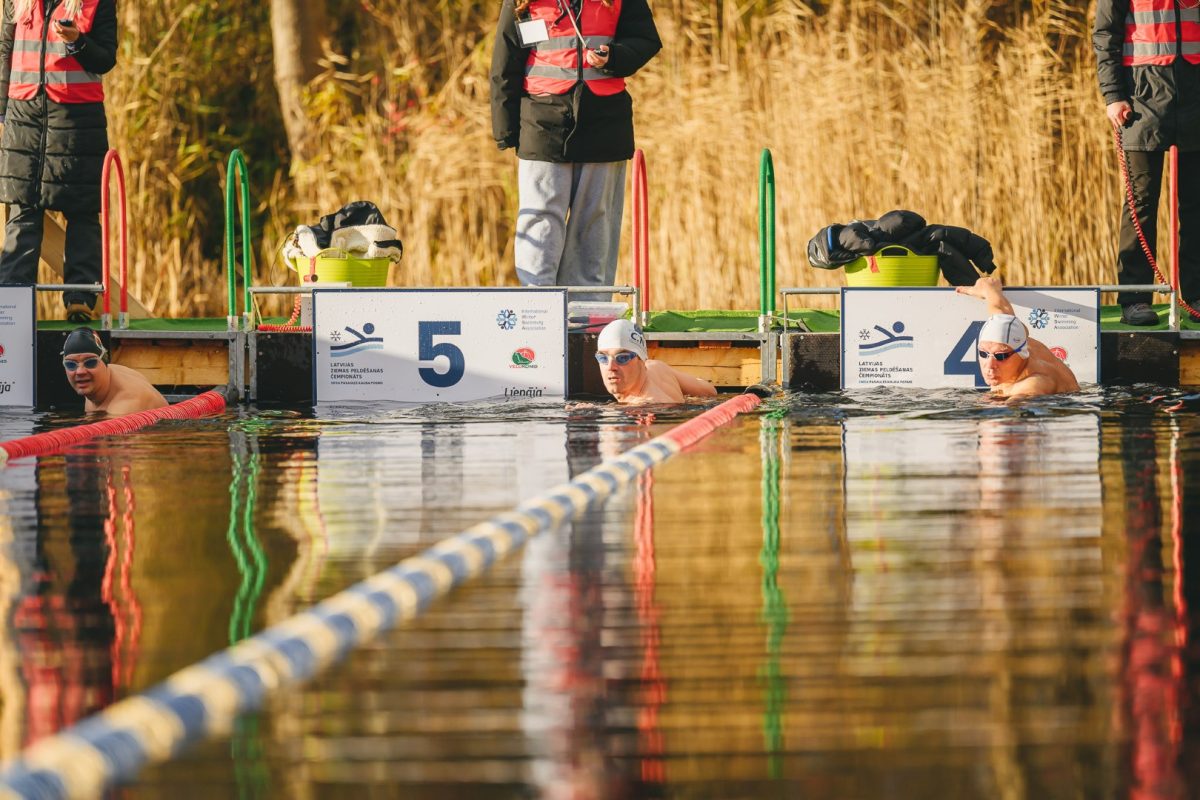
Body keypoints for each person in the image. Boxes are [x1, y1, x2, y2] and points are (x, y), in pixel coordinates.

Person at [490, 0, 661, 300]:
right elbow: (505, 63)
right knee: (540, 221)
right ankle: (538, 306)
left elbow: (645, 39)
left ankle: (588, 315)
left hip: (605, 126)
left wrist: (614, 56)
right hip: (541, 126)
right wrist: (506, 131)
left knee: (594, 223)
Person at [0, 0, 118, 322]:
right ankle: (12, 307)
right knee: (22, 210)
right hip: (23, 119)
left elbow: (106, 58)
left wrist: (77, 41)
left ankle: (81, 300)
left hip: (78, 120)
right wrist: (2, 114)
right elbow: (5, 51)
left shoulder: (98, 2)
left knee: (82, 210)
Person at [1094, 0, 1200, 326]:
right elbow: (1106, 34)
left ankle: (1196, 297)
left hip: (1195, 98)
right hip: (1142, 99)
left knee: (1196, 205)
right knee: (1140, 203)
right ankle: (1135, 299)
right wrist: (1113, 95)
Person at [956, 277, 1080, 399]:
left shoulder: (1033, 385)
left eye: (1001, 356)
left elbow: (1009, 410)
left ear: (1022, 353)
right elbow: (1002, 312)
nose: (990, 365)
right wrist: (989, 290)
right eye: (983, 353)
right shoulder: (1017, 339)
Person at [595, 319, 717, 404]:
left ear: (642, 360)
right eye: (603, 358)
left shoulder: (645, 408)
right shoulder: (657, 367)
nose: (610, 367)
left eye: (622, 358)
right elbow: (710, 391)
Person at [60, 326, 166, 415]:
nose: (80, 371)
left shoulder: (126, 405)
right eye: (71, 364)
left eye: (90, 362)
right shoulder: (97, 380)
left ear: (105, 363)